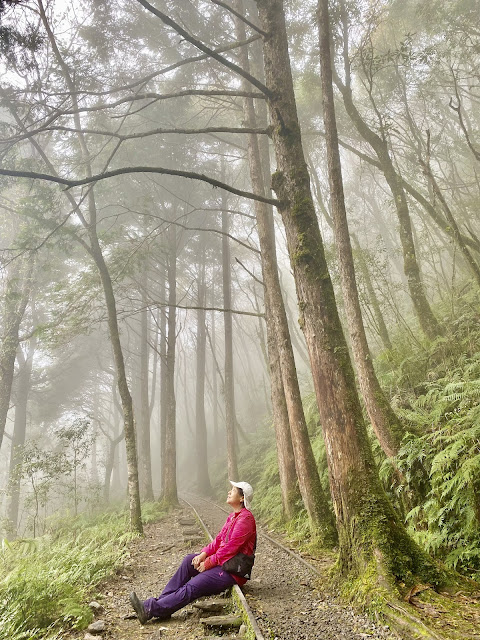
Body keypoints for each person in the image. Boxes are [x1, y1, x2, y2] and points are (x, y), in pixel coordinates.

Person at [129, 480, 256, 624]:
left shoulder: (245, 519)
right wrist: (203, 554)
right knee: (188, 561)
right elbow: (219, 540)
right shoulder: (233, 516)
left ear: (241, 498)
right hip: (223, 563)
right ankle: (162, 607)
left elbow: (231, 548)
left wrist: (208, 562)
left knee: (194, 585)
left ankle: (150, 609)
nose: (228, 492)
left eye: (232, 490)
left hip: (233, 570)